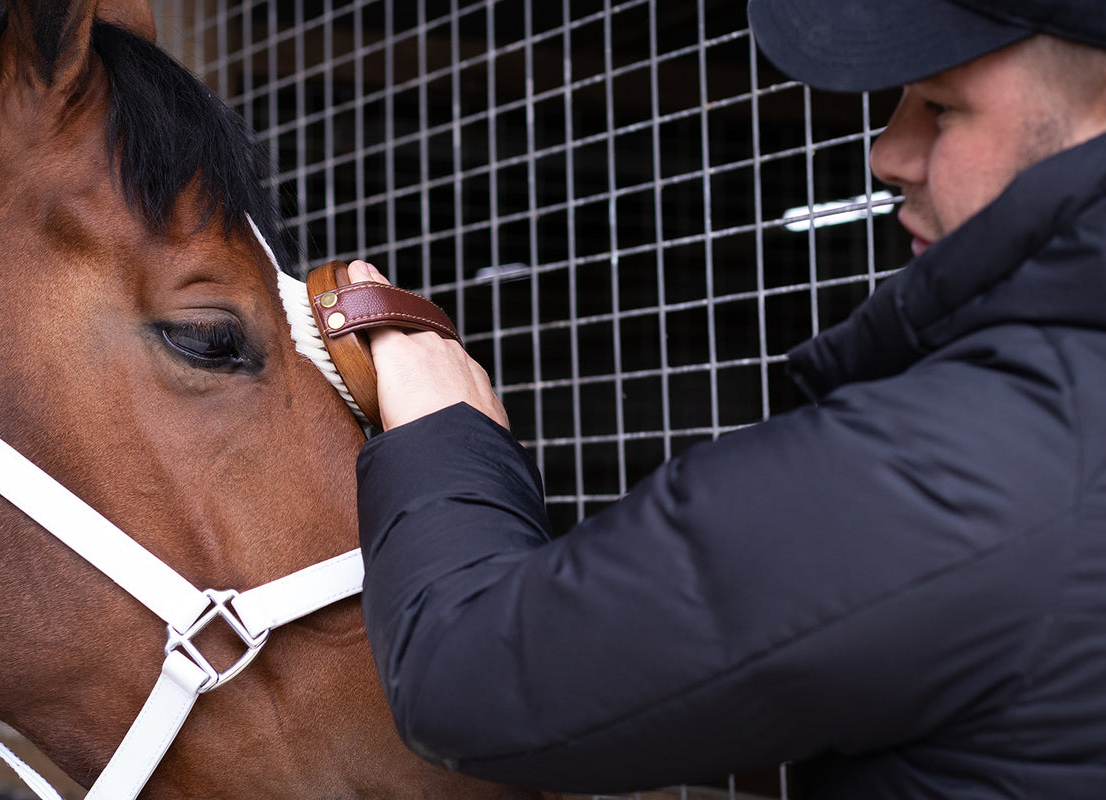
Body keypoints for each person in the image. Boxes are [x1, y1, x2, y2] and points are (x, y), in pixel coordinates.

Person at [348, 1, 1106, 796]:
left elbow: (468, 678)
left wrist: (445, 437)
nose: (888, 153)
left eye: (944, 107)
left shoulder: (969, 467)